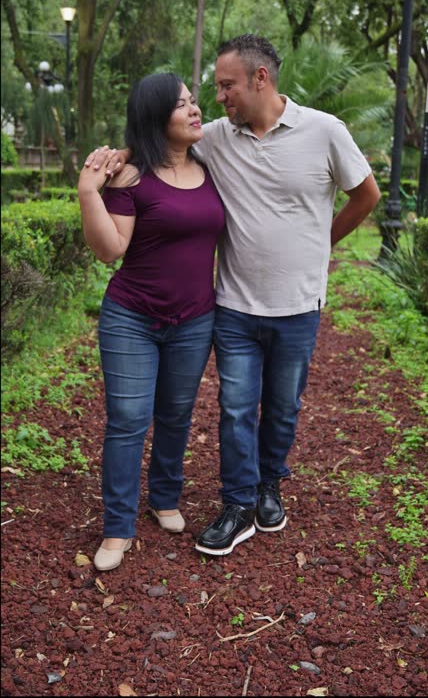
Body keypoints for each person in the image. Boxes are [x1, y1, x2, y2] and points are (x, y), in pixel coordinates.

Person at [85, 34, 380, 558]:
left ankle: (262, 487)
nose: (214, 99)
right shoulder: (216, 138)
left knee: (278, 408)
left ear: (259, 79)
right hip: (228, 308)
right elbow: (156, 141)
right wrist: (111, 166)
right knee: (231, 408)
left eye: (225, 86)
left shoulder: (323, 131)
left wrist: (321, 244)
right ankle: (231, 504)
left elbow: (367, 194)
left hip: (284, 305)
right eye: (207, 91)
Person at [78, 73, 225, 571]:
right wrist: (87, 191)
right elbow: (109, 250)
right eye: (182, 104)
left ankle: (164, 497)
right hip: (132, 319)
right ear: (157, 116)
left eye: (194, 101)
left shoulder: (212, 167)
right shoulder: (130, 177)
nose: (195, 109)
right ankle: (118, 527)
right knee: (127, 422)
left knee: (177, 413)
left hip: (195, 319)